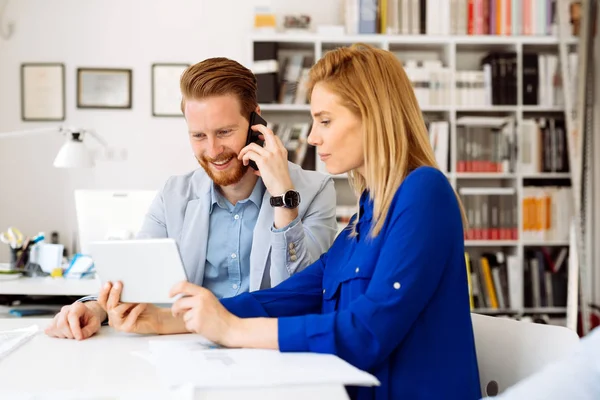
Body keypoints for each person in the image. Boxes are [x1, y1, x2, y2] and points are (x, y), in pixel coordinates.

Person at [92, 43, 481, 399]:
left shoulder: (423, 192)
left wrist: (231, 329)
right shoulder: (369, 209)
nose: (311, 137)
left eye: (325, 121)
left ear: (373, 116)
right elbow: (290, 296)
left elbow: (367, 332)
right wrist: (169, 321)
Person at [44, 57, 338, 341]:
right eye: (198, 135)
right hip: (188, 346)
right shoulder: (175, 194)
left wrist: (282, 198)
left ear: (255, 121)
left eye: (224, 132)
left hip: (268, 347)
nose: (212, 150)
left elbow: (302, 295)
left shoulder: (314, 190)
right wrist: (97, 308)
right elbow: (135, 274)